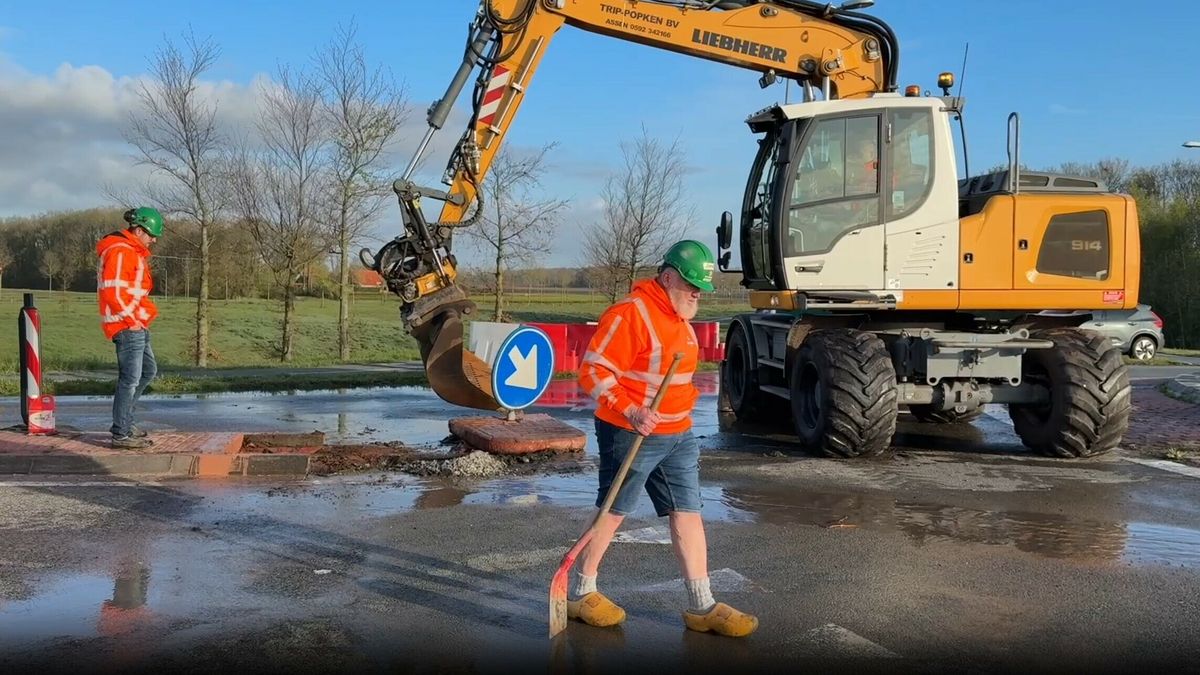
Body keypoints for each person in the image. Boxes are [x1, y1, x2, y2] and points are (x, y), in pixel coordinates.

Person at [573, 239, 758, 638]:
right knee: (614, 509)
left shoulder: (680, 319)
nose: (697, 295)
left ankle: (702, 605)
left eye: (700, 289)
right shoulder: (630, 315)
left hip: (677, 433)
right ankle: (581, 591)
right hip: (630, 431)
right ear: (667, 276)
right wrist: (631, 410)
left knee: (687, 512)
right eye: (690, 285)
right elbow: (592, 372)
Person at [96, 207, 162, 449]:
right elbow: (113, 291)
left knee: (148, 371)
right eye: (151, 234)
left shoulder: (130, 252)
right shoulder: (121, 252)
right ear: (138, 229)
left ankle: (124, 423)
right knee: (130, 380)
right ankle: (121, 433)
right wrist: (130, 319)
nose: (153, 240)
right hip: (127, 325)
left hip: (135, 323)